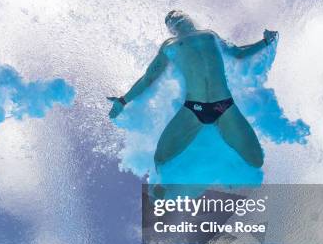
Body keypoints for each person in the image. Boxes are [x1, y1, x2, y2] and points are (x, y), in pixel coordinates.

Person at [109, 10, 278, 170]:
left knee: (256, 160)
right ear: (171, 29)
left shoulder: (210, 35)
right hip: (193, 108)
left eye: (179, 14)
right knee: (160, 160)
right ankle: (164, 194)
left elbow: (238, 52)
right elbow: (149, 78)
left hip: (223, 105)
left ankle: (221, 159)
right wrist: (123, 100)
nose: (176, 17)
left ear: (189, 18)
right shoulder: (170, 45)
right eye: (171, 18)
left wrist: (265, 41)